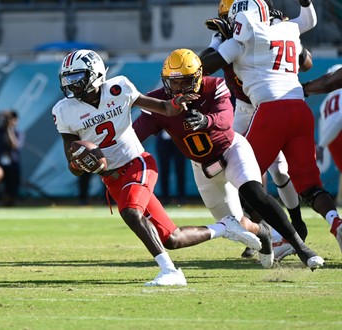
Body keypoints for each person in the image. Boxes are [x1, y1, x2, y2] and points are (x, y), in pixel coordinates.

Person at [52, 49, 262, 286]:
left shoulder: (119, 88)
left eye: (77, 76)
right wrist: (82, 163)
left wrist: (176, 103)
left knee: (132, 213)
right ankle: (225, 227)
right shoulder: (63, 111)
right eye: (67, 78)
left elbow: (162, 108)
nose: (72, 84)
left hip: (137, 163)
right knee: (172, 238)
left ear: (96, 73)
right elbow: (73, 166)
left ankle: (170, 271)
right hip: (111, 178)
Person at [133, 48, 316, 269]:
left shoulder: (214, 86)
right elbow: (136, 134)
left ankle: (300, 246)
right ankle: (264, 233)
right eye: (174, 82)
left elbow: (225, 119)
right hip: (202, 166)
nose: (179, 88)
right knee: (234, 225)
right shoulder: (159, 102)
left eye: (185, 82)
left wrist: (205, 121)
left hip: (231, 149)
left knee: (254, 192)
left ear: (199, 77)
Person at [200, 0, 341, 256]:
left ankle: (276, 235)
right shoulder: (284, 30)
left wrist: (217, 43)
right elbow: (307, 23)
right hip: (292, 105)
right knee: (308, 183)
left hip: (266, 108)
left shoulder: (243, 37)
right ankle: (334, 221)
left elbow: (200, 67)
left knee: (247, 177)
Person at [316, 64, 342, 208]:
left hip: (331, 139)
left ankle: (339, 200)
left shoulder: (325, 103)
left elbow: (325, 124)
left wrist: (322, 144)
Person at [156, 130, 187, 205]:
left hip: (179, 139)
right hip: (163, 140)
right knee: (164, 169)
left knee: (180, 169)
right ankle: (165, 197)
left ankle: (181, 197)